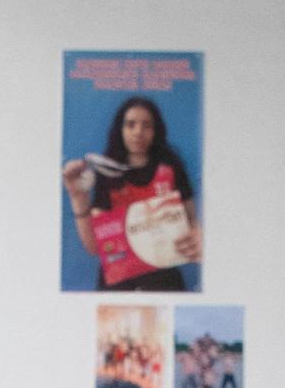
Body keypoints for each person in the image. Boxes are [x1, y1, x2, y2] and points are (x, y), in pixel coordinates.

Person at [62, 93, 202, 293]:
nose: (138, 132)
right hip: (117, 285)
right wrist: (77, 197)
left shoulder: (172, 169)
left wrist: (197, 239)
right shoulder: (105, 174)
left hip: (164, 282)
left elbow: (191, 228)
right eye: (130, 124)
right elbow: (94, 247)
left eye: (147, 125)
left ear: (156, 130)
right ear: (120, 130)